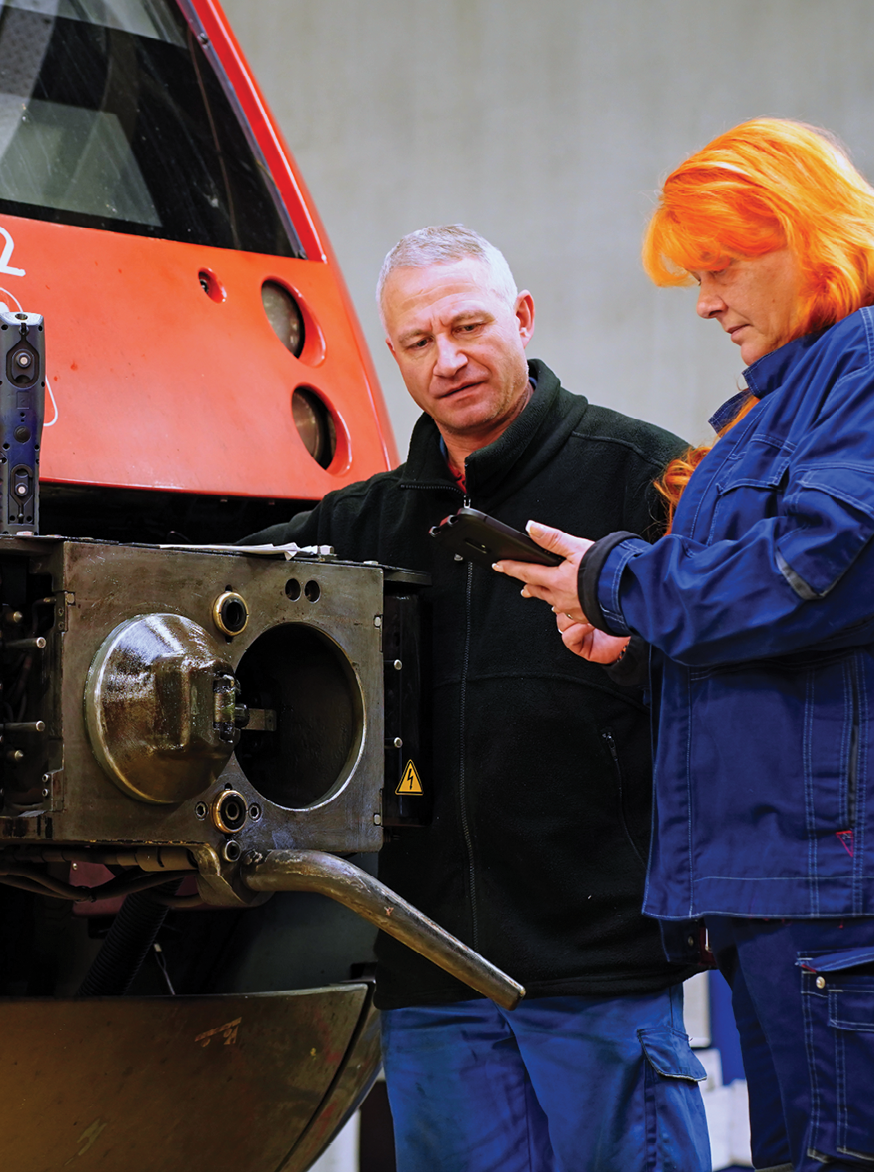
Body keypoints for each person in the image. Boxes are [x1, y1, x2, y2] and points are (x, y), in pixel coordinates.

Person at [246, 225, 710, 1171]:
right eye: (418, 343)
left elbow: (735, 687)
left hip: (599, 973)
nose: (447, 361)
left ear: (522, 317)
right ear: (394, 356)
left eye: (468, 326)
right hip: (433, 982)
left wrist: (629, 658)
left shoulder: (643, 476)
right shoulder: (359, 523)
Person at [496, 119, 874, 1172]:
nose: (706, 302)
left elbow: (810, 572)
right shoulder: (784, 405)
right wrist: (642, 630)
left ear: (807, 241)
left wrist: (616, 580)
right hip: (782, 887)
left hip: (829, 893)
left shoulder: (865, 370)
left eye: (719, 270)